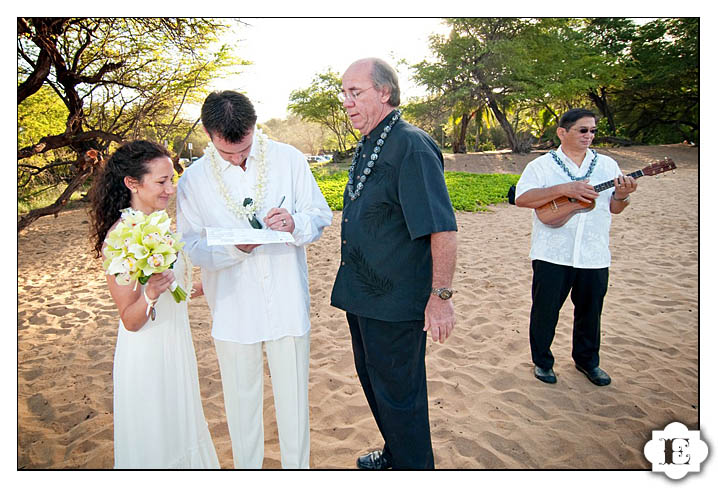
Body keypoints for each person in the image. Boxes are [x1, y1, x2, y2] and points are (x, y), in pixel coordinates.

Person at [176, 91, 332, 469]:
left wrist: (296, 223)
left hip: (287, 300)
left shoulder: (289, 159)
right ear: (209, 135)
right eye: (227, 153)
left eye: (243, 148)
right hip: (232, 306)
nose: (238, 158)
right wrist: (235, 249)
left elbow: (319, 215)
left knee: (293, 399)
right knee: (240, 401)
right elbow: (192, 245)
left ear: (254, 127)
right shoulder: (193, 181)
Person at [330, 58, 458, 470]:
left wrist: (440, 297)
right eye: (344, 92)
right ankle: (395, 454)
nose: (346, 101)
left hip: (397, 301)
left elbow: (442, 229)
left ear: (384, 92)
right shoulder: (370, 140)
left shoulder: (411, 145)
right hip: (362, 295)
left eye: (356, 92)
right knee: (375, 384)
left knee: (401, 395)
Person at [89, 140, 220, 469]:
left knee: (182, 430)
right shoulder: (119, 240)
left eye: (171, 179)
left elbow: (176, 291)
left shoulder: (160, 226)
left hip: (176, 345)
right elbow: (131, 321)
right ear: (132, 183)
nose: (170, 189)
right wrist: (149, 294)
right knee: (158, 441)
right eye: (161, 181)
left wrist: (211, 286)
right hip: (148, 357)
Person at [514, 108, 638, 386]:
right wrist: (564, 189)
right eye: (583, 130)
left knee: (590, 312)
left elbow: (615, 209)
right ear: (562, 132)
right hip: (551, 252)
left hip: (594, 253)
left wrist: (621, 195)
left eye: (593, 130)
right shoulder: (542, 165)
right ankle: (543, 362)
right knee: (545, 310)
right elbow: (522, 198)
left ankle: (587, 362)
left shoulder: (607, 165)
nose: (589, 135)